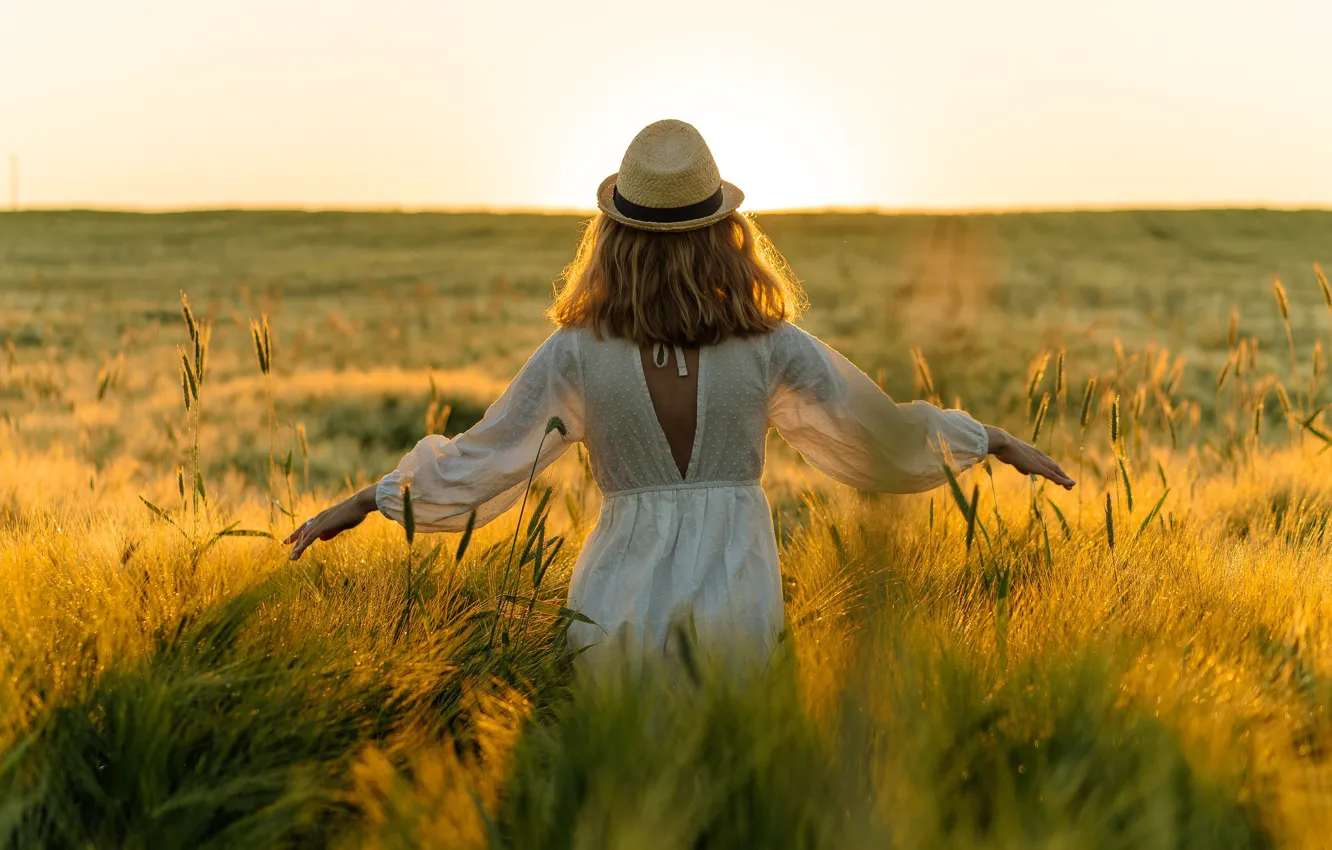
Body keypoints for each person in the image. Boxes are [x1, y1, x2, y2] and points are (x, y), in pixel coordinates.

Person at [285, 119, 1074, 667]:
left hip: (612, 605)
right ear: (725, 235)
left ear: (613, 238)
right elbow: (881, 438)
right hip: (738, 601)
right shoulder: (770, 345)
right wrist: (991, 440)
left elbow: (481, 460)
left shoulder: (577, 352)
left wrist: (368, 500)